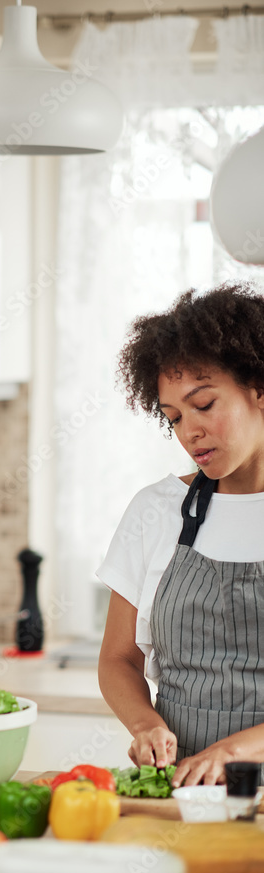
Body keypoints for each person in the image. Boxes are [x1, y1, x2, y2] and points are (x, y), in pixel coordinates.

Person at [97, 283, 264, 786]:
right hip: (183, 793)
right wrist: (145, 723)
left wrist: (234, 751)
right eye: (174, 417)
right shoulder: (156, 511)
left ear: (259, 387)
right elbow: (118, 658)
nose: (189, 431)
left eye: (205, 404)